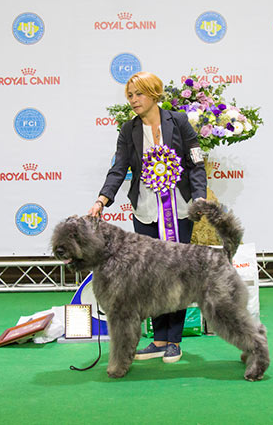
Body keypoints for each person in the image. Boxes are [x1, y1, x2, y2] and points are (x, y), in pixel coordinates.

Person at [88, 71, 207, 364]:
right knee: (148, 278)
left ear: (154, 94)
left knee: (177, 275)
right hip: (144, 212)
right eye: (130, 95)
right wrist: (102, 199)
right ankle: (158, 340)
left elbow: (195, 164)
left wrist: (199, 197)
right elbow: (118, 168)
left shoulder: (179, 122)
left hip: (178, 211)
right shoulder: (128, 130)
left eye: (138, 94)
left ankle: (174, 341)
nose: (133, 100)